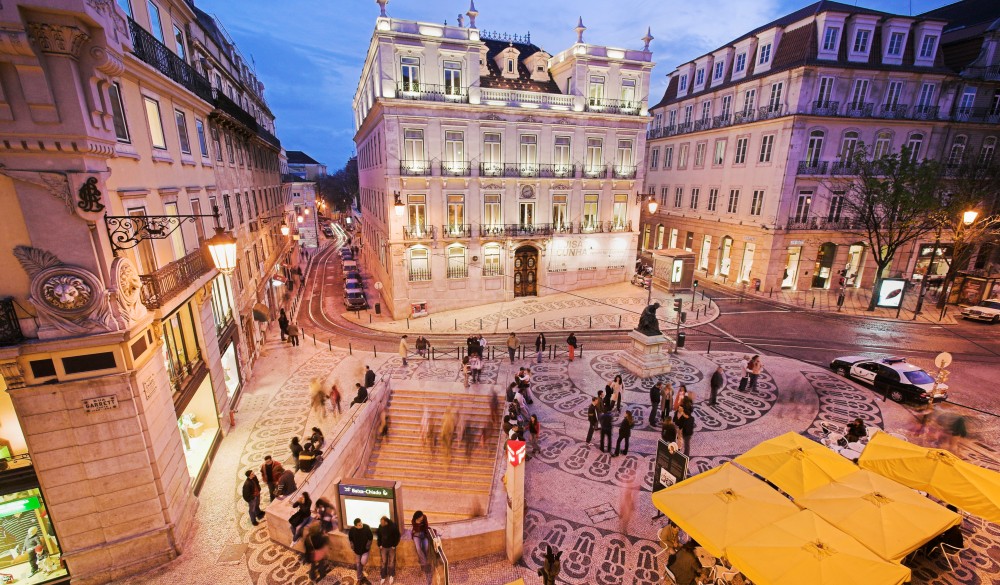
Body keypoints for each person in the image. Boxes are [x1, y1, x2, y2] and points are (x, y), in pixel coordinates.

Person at [348, 518, 373, 585]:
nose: (361, 525)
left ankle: (360, 571)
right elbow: (350, 538)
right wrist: (352, 546)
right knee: (358, 564)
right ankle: (359, 578)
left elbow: (371, 537)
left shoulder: (366, 527)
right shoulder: (352, 530)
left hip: (365, 550)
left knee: (363, 562)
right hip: (357, 550)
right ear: (355, 526)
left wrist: (367, 546)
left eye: (361, 523)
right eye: (359, 525)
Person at [376, 515, 400, 585]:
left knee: (392, 562)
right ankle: (383, 576)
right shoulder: (381, 526)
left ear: (386, 522)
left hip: (391, 547)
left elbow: (397, 536)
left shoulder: (393, 526)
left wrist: (394, 545)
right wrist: (379, 544)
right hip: (383, 547)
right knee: (384, 562)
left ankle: (391, 575)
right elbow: (379, 535)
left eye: (382, 522)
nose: (381, 523)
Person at [411, 511, 433, 584]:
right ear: (417, 517)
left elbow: (426, 527)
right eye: (421, 517)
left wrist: (421, 523)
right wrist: (418, 523)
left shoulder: (424, 517)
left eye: (422, 516)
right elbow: (416, 530)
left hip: (424, 534)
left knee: (426, 547)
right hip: (416, 535)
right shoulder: (414, 520)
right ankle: (425, 564)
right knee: (418, 548)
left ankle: (424, 562)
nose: (422, 517)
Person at [679, 392, 696, 456]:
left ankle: (686, 455)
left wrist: (682, 413)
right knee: (686, 443)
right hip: (688, 431)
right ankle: (686, 454)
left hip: (687, 432)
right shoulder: (691, 418)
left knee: (687, 444)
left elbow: (685, 417)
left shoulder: (689, 418)